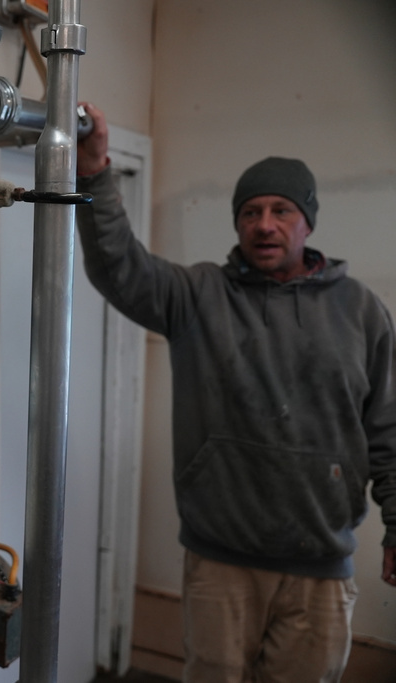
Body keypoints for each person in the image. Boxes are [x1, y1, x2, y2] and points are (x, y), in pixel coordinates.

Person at [74, 102, 396, 682]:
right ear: (237, 223)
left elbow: (389, 430)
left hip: (320, 566)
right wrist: (95, 174)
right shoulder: (198, 294)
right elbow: (118, 267)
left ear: (308, 222)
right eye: (249, 211)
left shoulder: (362, 311)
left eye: (280, 210)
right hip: (220, 560)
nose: (264, 224)